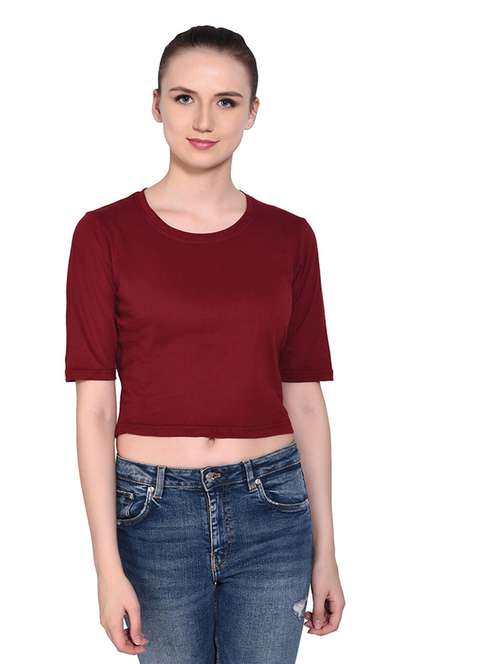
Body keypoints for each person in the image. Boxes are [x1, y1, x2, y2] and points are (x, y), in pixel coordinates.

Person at [65, 24, 345, 663]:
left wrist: (326, 551)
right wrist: (106, 568)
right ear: (156, 104)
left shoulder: (290, 238)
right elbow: (95, 408)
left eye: (226, 101)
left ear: (252, 111)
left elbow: (304, 398)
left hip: (274, 506)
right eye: (185, 97)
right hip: (153, 511)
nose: (203, 120)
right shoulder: (104, 234)